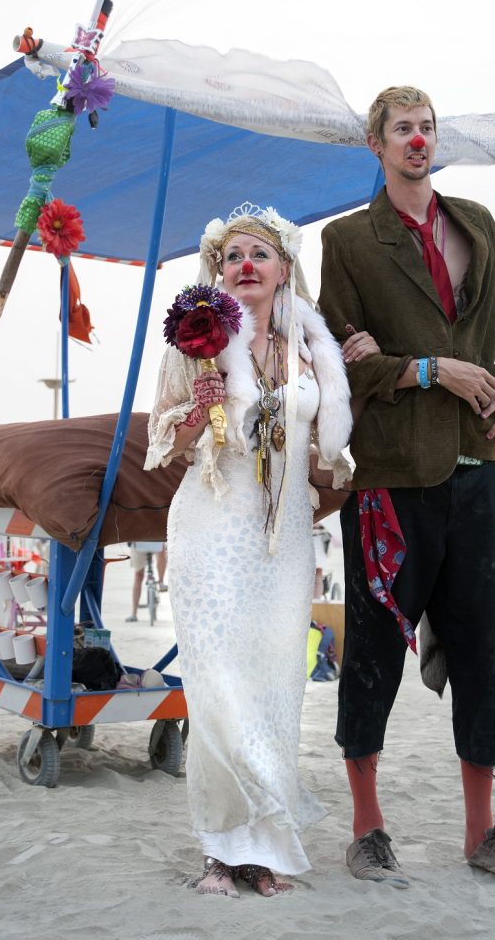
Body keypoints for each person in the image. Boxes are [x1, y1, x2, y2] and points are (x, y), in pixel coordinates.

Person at [318, 86, 495, 889]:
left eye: (426, 128)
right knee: (373, 653)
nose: (417, 140)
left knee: (480, 652)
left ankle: (482, 834)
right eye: (402, 130)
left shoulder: (475, 224)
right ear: (376, 145)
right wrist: (427, 369)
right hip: (388, 480)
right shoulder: (348, 240)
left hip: (476, 472)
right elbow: (340, 360)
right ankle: (366, 829)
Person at [144, 202, 351, 897]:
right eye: (232, 256)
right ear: (218, 271)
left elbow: (326, 449)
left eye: (259, 254)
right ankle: (219, 849)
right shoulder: (194, 343)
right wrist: (198, 405)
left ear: (284, 268)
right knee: (218, 687)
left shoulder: (309, 352)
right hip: (211, 528)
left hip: (284, 537)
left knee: (272, 684)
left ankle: (260, 850)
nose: (245, 265)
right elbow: (162, 440)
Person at [125, 542, 167, 622]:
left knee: (162, 549)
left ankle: (161, 582)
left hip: (153, 542)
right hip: (139, 543)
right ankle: (134, 613)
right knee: (138, 576)